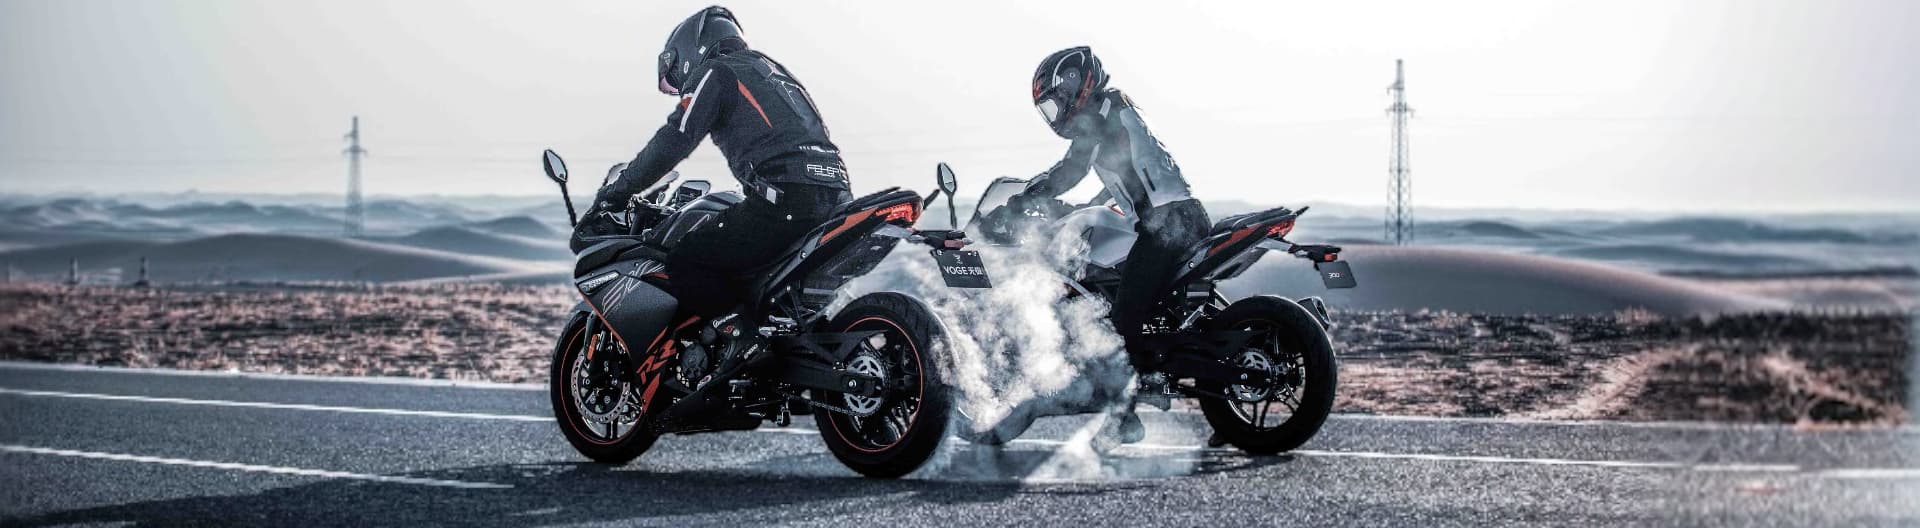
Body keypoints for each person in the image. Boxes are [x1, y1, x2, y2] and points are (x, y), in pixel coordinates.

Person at [577, 6, 853, 323]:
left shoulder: (717, 72)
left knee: (687, 260)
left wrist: (618, 191)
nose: (679, 82)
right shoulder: (775, 73)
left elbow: (674, 139)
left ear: (689, 51)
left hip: (784, 198)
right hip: (836, 196)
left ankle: (741, 338)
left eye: (676, 71)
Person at [1011, 46, 1210, 345]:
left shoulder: (1102, 115)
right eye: (1052, 106)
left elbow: (1071, 169)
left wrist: (1026, 197)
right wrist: (1085, 208)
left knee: (1124, 326)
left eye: (1059, 99)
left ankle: (1137, 373)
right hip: (1183, 217)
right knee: (1152, 310)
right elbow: (1128, 178)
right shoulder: (1116, 108)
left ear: (1076, 83)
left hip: (1165, 228)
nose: (1058, 110)